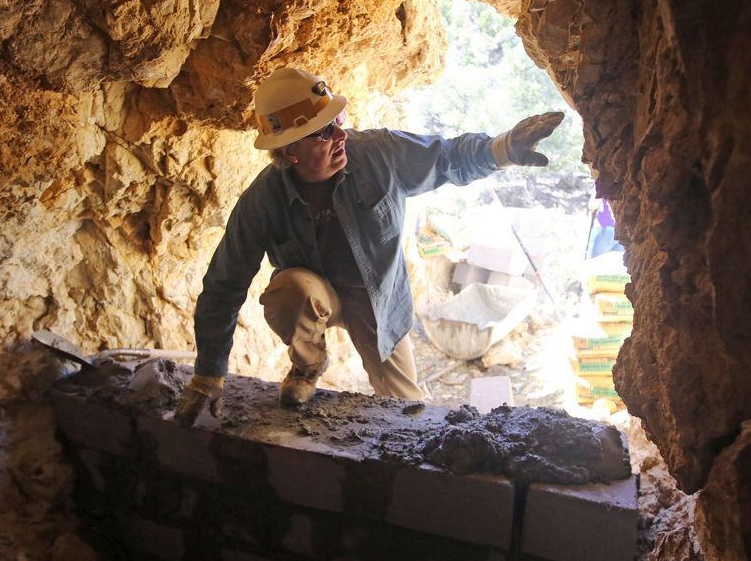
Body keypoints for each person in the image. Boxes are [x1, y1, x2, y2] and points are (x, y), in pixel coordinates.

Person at [173, 66, 563, 426]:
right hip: (315, 297)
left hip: (376, 299)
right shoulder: (263, 200)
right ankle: (307, 367)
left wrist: (504, 149)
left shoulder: (378, 153)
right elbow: (225, 284)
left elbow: (445, 157)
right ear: (290, 150)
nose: (340, 135)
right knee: (289, 290)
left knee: (406, 413)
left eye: (337, 122)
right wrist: (208, 375)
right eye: (323, 132)